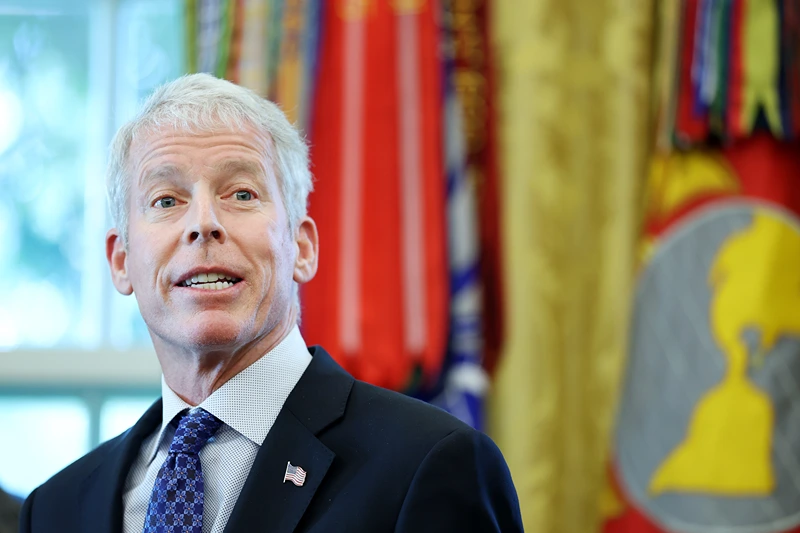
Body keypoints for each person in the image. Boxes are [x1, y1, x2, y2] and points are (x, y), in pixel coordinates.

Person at [20, 74, 523, 533]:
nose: (203, 223)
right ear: (121, 261)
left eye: (240, 194)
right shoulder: (55, 509)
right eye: (166, 200)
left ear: (301, 248)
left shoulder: (430, 464)